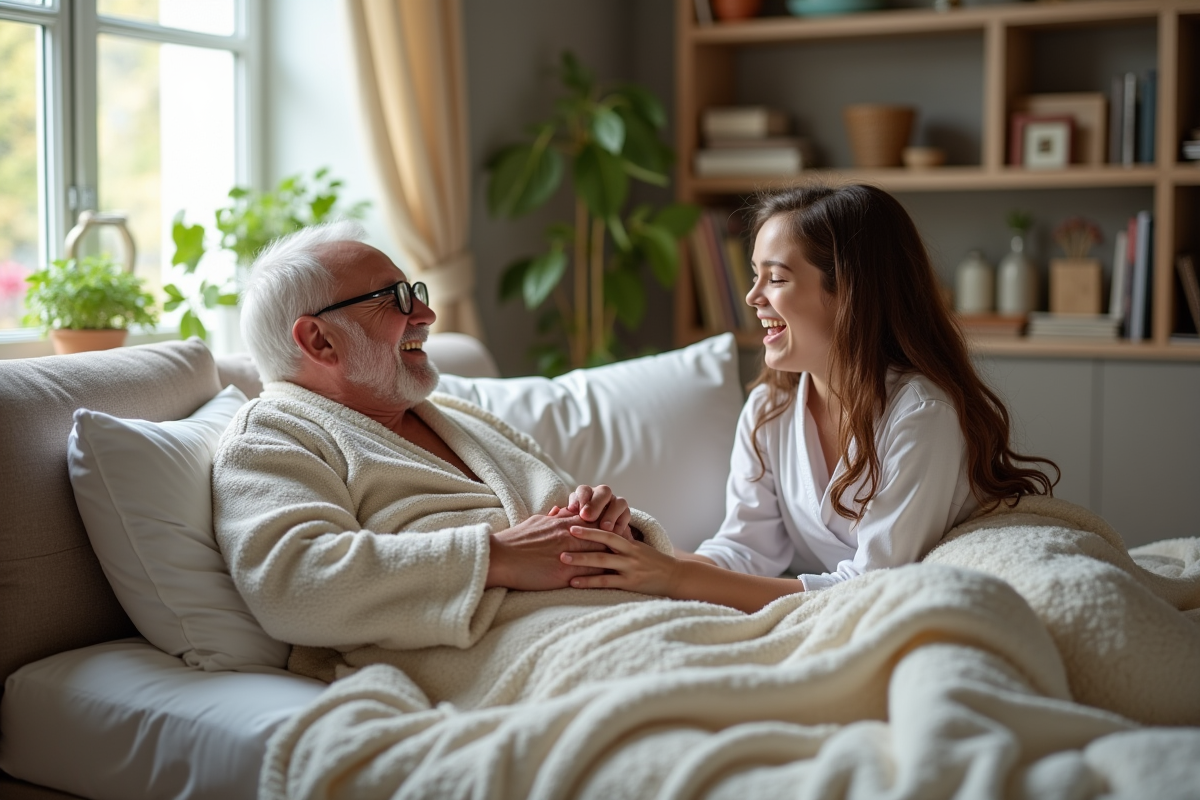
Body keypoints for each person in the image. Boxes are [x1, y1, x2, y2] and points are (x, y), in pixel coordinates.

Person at [562, 183, 1060, 613]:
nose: (754, 298)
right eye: (754, 275)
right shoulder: (768, 412)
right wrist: (626, 547)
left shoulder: (922, 414)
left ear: (850, 294)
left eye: (776, 278)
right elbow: (743, 553)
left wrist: (674, 578)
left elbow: (872, 587)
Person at [212, 220, 664, 656]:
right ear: (319, 340)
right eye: (394, 298)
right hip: (536, 651)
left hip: (640, 618)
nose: (426, 314)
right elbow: (295, 584)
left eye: (415, 293)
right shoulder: (271, 436)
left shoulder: (465, 422)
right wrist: (497, 556)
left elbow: (568, 534)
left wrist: (613, 528)